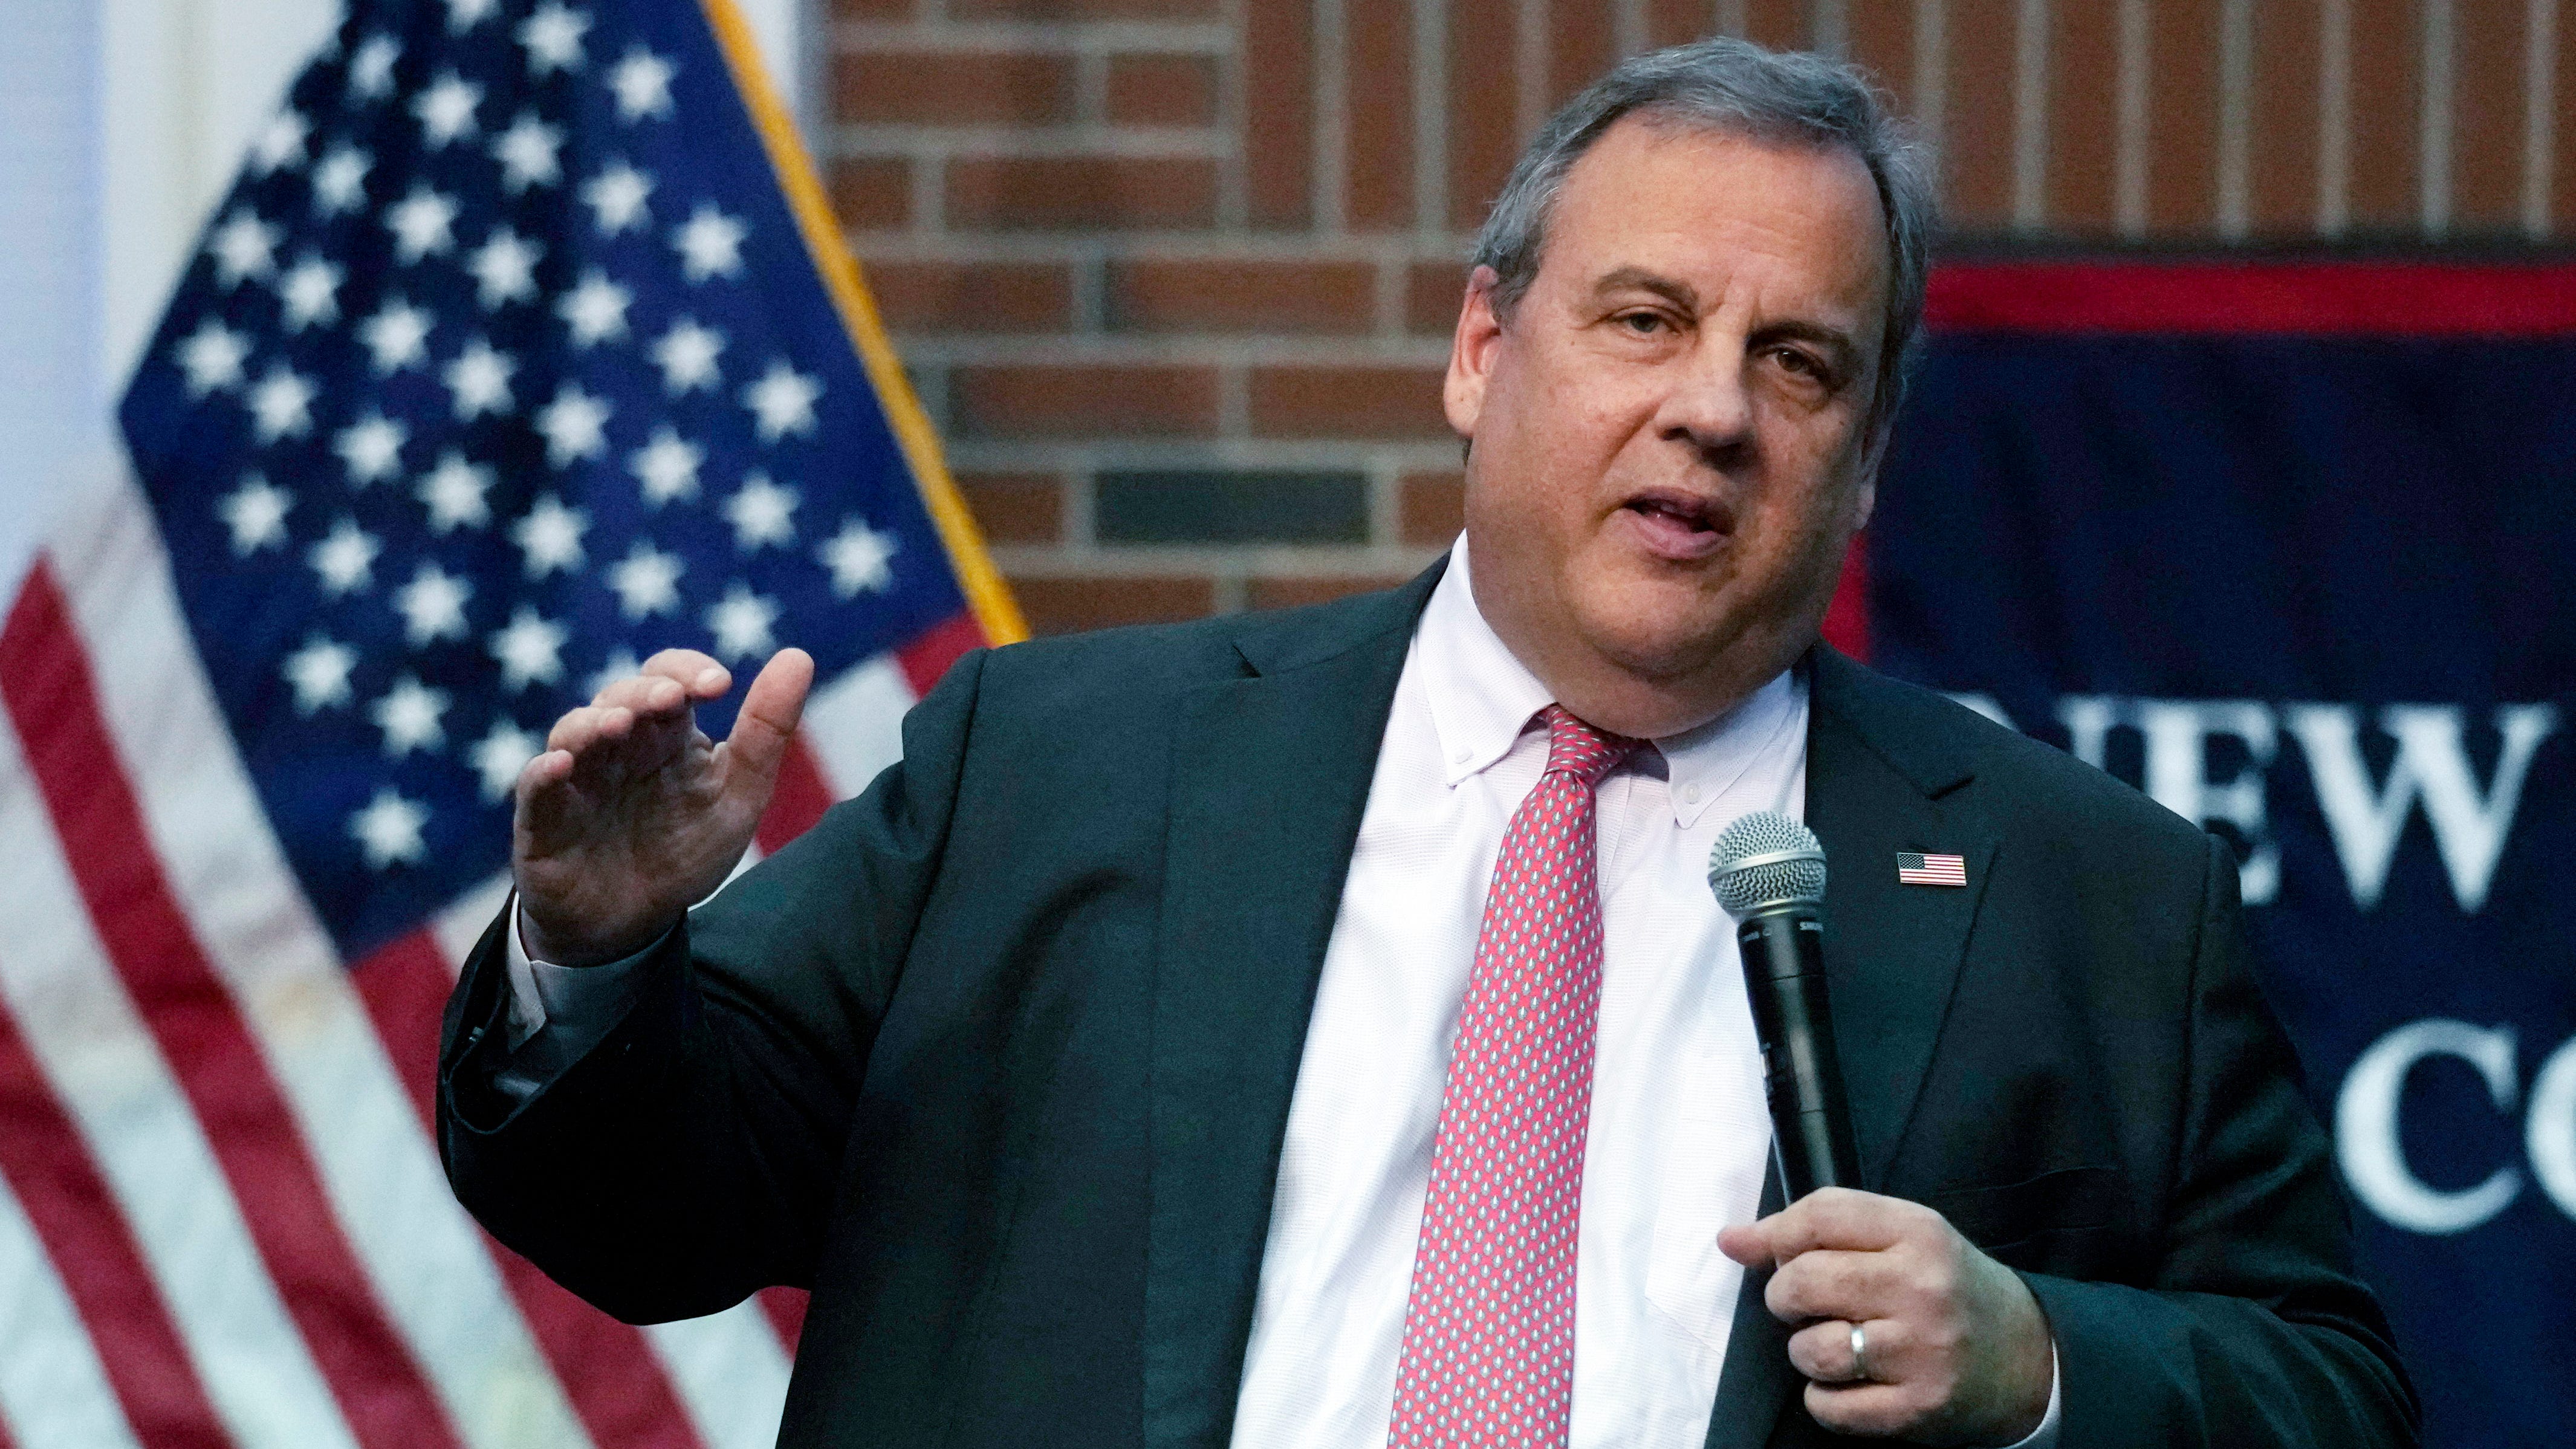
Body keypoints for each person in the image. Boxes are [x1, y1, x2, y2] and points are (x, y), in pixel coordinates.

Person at [440, 37, 2415, 1449]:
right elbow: (651, 1214)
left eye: (1797, 362)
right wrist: (600, 965)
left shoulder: (2095, 896)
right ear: (1485, 351)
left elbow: (2331, 1390)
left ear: (1867, 460)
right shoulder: (1054, 768)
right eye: (1643, 320)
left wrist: (2037, 1363)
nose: (1714, 412)